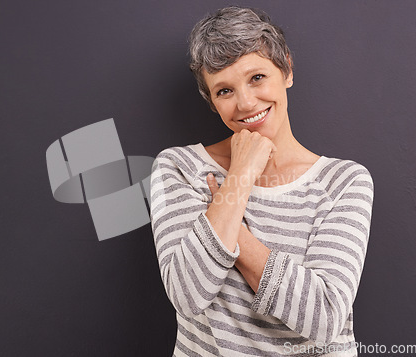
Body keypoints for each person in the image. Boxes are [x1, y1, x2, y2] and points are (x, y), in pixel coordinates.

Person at [149, 6, 373, 357]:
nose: (246, 102)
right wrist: (241, 175)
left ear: (287, 69)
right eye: (224, 91)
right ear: (211, 101)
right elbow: (188, 295)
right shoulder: (179, 167)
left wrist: (225, 213)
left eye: (257, 78)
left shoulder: (344, 181)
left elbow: (324, 319)